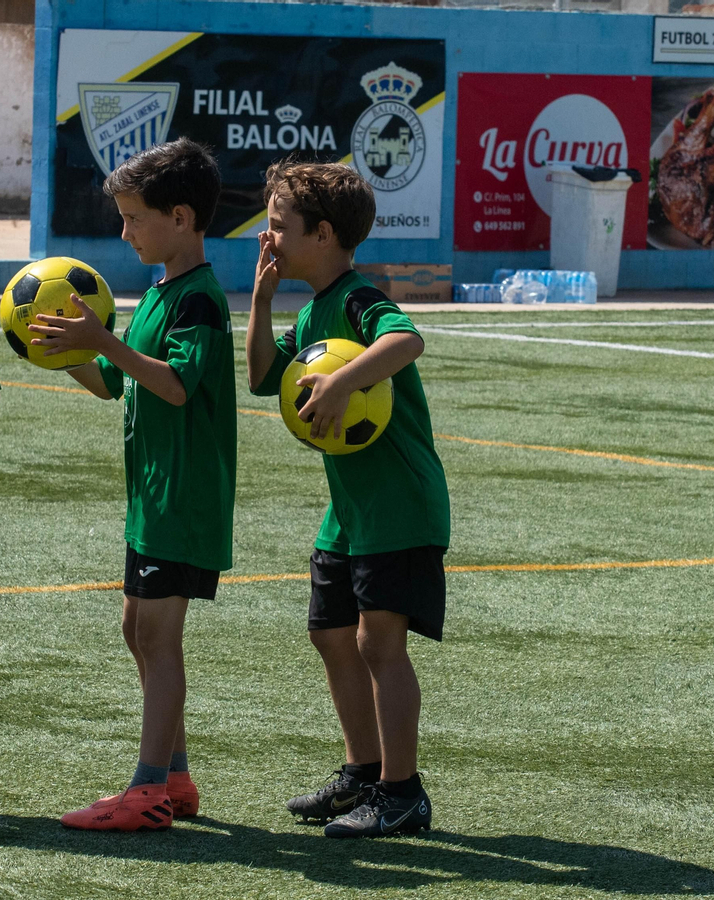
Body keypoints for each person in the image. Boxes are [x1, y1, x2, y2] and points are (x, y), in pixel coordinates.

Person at [29, 138, 236, 831]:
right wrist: (63, 351)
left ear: (181, 217)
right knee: (136, 628)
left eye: (133, 218)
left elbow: (176, 386)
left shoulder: (200, 301)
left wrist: (105, 341)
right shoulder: (158, 292)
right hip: (152, 498)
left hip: (183, 500)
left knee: (158, 635)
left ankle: (146, 791)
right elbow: (117, 383)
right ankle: (174, 778)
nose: (124, 232)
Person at [245, 160, 450, 838]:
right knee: (329, 634)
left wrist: (339, 384)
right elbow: (261, 378)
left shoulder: (359, 299)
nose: (267, 239)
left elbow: (405, 339)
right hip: (351, 510)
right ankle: (363, 773)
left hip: (398, 502)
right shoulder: (310, 313)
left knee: (378, 642)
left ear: (324, 234)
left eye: (278, 229)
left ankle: (402, 793)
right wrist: (261, 300)